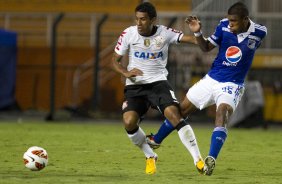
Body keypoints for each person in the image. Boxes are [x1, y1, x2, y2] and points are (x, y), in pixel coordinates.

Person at [146, 2, 267, 176]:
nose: (230, 24)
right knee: (181, 111)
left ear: (246, 19)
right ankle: (156, 139)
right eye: (230, 20)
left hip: (232, 84)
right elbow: (205, 48)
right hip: (211, 79)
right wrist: (197, 32)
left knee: (222, 112)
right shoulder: (223, 25)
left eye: (234, 21)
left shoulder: (260, 32)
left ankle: (211, 158)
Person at [111, 2, 204, 175]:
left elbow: (192, 41)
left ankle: (198, 160)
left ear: (153, 20)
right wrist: (126, 72)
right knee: (129, 121)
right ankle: (150, 155)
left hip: (158, 83)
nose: (139, 23)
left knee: (174, 115)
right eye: (137, 19)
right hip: (135, 86)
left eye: (143, 19)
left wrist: (197, 32)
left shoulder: (165, 33)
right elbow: (114, 60)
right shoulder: (128, 33)